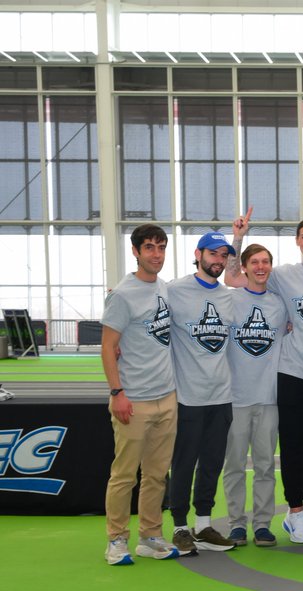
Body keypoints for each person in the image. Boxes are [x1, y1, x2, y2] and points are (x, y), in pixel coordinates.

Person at [226, 218, 303, 544]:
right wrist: (238, 238)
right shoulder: (282, 274)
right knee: (291, 447)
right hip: (291, 373)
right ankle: (295, 511)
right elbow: (233, 277)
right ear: (297, 241)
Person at [100, 224, 180, 565]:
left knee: (157, 475)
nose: (156, 254)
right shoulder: (122, 294)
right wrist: (117, 393)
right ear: (135, 251)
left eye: (161, 247)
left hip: (167, 397)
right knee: (124, 475)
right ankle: (116, 539)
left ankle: (150, 535)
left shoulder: (165, 288)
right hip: (133, 399)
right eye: (149, 247)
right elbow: (107, 347)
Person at [166, 232, 239, 554]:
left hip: (221, 396)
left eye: (223, 255)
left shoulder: (228, 297)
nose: (218, 260)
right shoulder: (174, 290)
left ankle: (203, 524)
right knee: (184, 464)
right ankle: (180, 527)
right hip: (188, 397)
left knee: (212, 464)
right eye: (213, 253)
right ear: (198, 254)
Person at [221, 244, 288, 547]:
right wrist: (237, 238)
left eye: (265, 262)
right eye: (255, 262)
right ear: (245, 267)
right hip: (235, 397)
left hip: (268, 397)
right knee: (234, 465)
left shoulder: (279, 304)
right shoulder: (230, 299)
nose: (261, 267)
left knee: (265, 465)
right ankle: (236, 524)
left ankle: (262, 524)